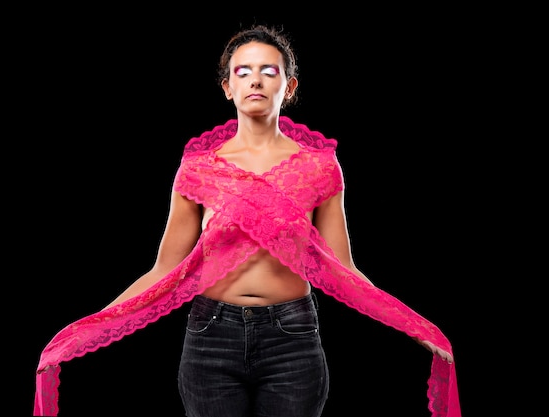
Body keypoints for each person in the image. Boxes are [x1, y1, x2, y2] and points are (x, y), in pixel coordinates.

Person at [34, 24, 460, 417]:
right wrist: (85, 330)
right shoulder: (199, 169)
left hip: (293, 337)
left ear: (288, 86)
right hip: (210, 338)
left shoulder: (318, 168)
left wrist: (415, 326)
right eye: (243, 72)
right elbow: (164, 270)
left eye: (269, 71)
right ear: (227, 87)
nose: (255, 80)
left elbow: (342, 268)